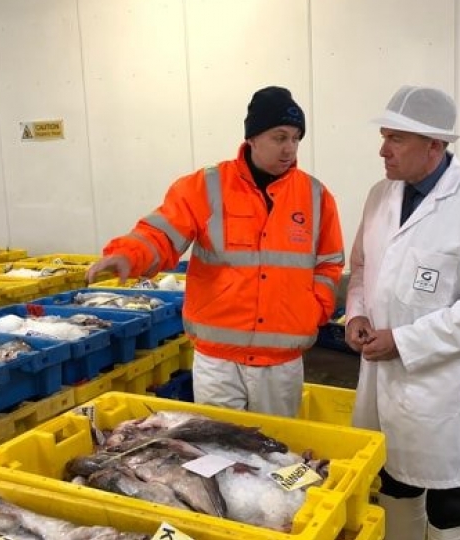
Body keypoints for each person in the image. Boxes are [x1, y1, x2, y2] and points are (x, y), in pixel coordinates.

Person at [87, 86, 345, 418]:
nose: (289, 149)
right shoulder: (205, 187)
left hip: (280, 363)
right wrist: (128, 254)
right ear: (252, 138)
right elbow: (161, 234)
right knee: (220, 454)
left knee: (278, 449)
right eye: (279, 137)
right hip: (219, 361)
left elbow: (329, 264)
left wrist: (315, 310)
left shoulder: (315, 196)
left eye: (296, 139)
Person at [344, 85, 460, 540]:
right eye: (384, 136)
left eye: (396, 139)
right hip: (379, 372)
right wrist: (356, 314)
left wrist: (404, 340)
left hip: (438, 381)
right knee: (393, 480)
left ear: (435, 145)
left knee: (446, 490)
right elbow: (360, 266)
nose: (382, 150)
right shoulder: (379, 195)